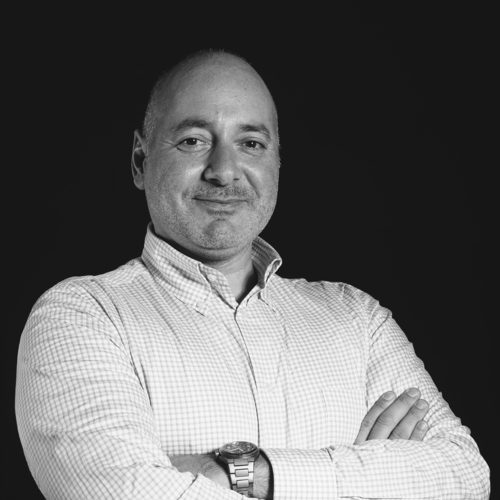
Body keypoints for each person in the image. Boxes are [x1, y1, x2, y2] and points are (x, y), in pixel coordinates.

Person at [15, 49, 490, 499]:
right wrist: (371, 477)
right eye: (193, 141)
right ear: (140, 161)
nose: (224, 171)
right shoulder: (82, 316)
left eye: (251, 144)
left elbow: (466, 476)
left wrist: (245, 472)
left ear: (276, 162)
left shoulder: (358, 319)